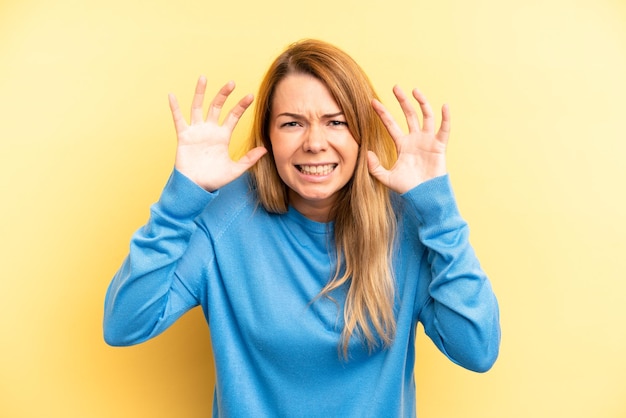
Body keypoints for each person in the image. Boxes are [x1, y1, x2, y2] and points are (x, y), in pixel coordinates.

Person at [104, 39, 500, 417]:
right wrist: (181, 200)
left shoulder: (407, 225)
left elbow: (477, 349)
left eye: (336, 122)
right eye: (292, 123)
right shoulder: (223, 220)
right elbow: (125, 323)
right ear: (268, 137)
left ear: (362, 134)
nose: (314, 143)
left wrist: (438, 210)